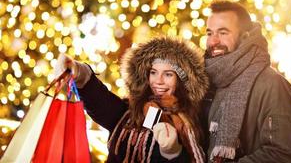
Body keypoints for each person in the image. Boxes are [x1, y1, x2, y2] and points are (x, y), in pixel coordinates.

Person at [54, 37, 209, 162]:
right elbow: (99, 101)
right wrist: (78, 71)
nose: (158, 81)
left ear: (180, 81)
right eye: (153, 72)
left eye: (168, 74)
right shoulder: (128, 113)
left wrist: (172, 151)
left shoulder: (185, 123)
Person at [202, 0, 291, 163]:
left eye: (223, 32)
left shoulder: (272, 85)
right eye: (209, 33)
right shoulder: (206, 82)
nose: (213, 41)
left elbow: (283, 154)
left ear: (245, 36)